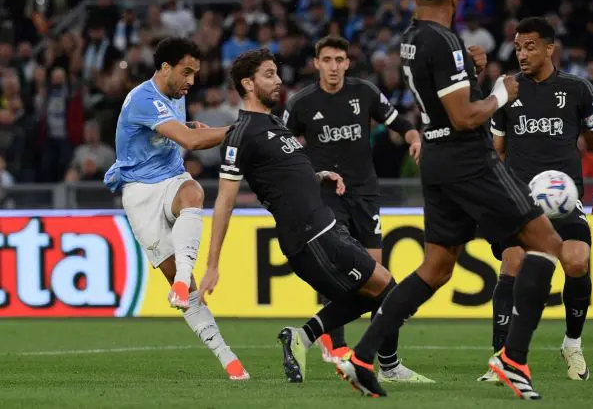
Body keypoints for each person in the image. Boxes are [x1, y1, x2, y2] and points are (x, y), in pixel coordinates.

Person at [336, 0, 578, 399]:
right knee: (548, 245)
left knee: (437, 266)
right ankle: (513, 357)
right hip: (469, 160)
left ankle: (361, 356)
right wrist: (500, 92)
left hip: (437, 159)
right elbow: (465, 116)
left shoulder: (412, 36)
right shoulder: (445, 41)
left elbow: (443, 93)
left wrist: (469, 72)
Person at [197, 48, 420, 384]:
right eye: (269, 75)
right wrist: (212, 264)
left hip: (325, 227)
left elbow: (285, 175)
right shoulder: (242, 134)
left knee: (374, 292)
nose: (277, 81)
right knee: (388, 290)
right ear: (247, 83)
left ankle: (302, 339)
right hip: (310, 236)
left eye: (276, 73)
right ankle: (380, 365)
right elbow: (224, 201)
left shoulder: (272, 123)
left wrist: (320, 176)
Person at [477, 17, 593, 383]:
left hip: (564, 200)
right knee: (513, 261)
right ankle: (502, 357)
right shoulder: (507, 89)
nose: (521, 54)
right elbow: (495, 152)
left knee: (576, 260)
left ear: (549, 48)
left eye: (530, 46)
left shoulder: (576, 89)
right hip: (519, 202)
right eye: (518, 47)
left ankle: (572, 344)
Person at [283, 35, 428, 383]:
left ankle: (368, 355)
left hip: (366, 195)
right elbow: (283, 148)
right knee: (359, 277)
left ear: (348, 63)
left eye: (340, 60)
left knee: (376, 282)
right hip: (327, 198)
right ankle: (351, 350)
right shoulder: (302, 103)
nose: (334, 66)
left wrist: (413, 137)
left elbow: (398, 122)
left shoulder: (363, 93)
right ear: (317, 63)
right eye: (327, 60)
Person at [103, 37, 249, 381]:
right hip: (139, 194)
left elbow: (184, 135)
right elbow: (192, 142)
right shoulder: (143, 99)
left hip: (171, 179)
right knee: (188, 287)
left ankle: (181, 282)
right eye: (187, 72)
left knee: (193, 192)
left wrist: (193, 129)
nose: (192, 81)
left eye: (196, 74)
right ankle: (228, 358)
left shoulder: (175, 95)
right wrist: (242, 128)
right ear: (165, 68)